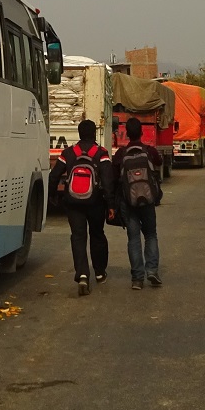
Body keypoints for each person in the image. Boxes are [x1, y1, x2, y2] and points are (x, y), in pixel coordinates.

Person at [48, 119, 113, 296]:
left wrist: (53, 196)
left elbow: (54, 176)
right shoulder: (101, 153)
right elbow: (108, 180)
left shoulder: (69, 153)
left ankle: (82, 274)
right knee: (97, 235)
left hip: (73, 202)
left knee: (78, 237)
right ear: (94, 134)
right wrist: (111, 203)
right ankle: (99, 272)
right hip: (96, 202)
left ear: (79, 134)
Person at [110, 118, 164, 290]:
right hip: (147, 201)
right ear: (141, 132)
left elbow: (113, 177)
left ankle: (137, 279)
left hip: (128, 203)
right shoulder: (149, 151)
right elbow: (159, 162)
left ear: (126, 133)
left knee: (133, 239)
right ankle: (152, 271)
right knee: (151, 235)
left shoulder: (121, 154)